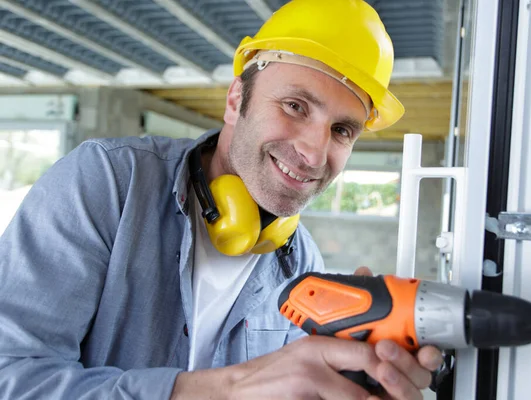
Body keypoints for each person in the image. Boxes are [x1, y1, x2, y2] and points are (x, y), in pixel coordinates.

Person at [0, 0, 443, 399]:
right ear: (236, 99)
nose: (313, 151)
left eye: (342, 130)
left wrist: (350, 382)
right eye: (294, 106)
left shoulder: (302, 262)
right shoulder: (107, 183)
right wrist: (227, 390)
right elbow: (11, 376)